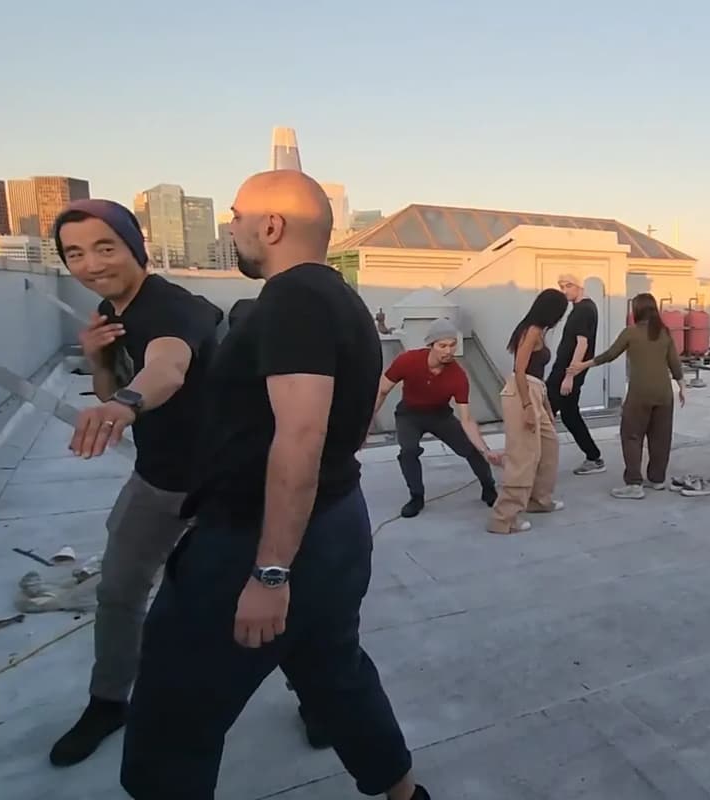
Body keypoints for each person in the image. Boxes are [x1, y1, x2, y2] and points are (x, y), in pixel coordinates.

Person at [120, 170, 430, 800]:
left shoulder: (294, 301)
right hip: (335, 524)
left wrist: (269, 573)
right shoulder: (339, 299)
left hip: (258, 542)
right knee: (333, 675)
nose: (231, 227)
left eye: (236, 216)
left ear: (271, 225)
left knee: (172, 719)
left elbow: (301, 435)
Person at [48, 199, 221, 767]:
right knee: (120, 592)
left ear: (134, 246)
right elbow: (109, 392)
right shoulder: (110, 310)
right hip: (158, 481)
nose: (92, 263)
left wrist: (125, 402)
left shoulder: (176, 309)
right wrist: (98, 360)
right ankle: (108, 701)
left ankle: (316, 695)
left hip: (225, 484)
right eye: (75, 252)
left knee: (253, 600)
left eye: (105, 247)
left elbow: (166, 368)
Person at [373, 318, 501, 518]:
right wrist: (364, 425)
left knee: (471, 449)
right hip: (409, 414)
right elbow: (382, 390)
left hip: (440, 415)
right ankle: (416, 496)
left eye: (452, 345)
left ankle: (489, 487)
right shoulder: (408, 360)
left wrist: (486, 450)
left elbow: (467, 419)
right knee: (408, 451)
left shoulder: (458, 376)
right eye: (442, 346)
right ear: (431, 344)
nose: (448, 351)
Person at [568, 292, 686, 500]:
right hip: (664, 394)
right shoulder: (664, 333)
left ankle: (633, 484)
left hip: (640, 393)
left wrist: (581, 365)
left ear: (636, 310)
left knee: (631, 435)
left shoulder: (630, 333)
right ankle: (657, 479)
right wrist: (682, 387)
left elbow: (609, 355)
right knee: (661, 438)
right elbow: (674, 363)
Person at [487, 289, 569, 534]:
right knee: (522, 456)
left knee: (549, 444)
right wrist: (526, 407)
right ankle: (504, 518)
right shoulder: (531, 330)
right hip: (521, 393)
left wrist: (546, 407)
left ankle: (539, 500)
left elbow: (536, 378)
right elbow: (520, 371)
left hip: (535, 391)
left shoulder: (538, 331)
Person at [547, 273, 606, 475]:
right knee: (570, 415)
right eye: (561, 286)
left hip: (565, 374)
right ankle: (594, 457)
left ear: (579, 286)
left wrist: (570, 376)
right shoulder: (583, 308)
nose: (564, 291)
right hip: (565, 371)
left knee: (544, 413)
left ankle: (533, 459)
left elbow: (583, 343)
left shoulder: (583, 310)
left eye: (568, 286)